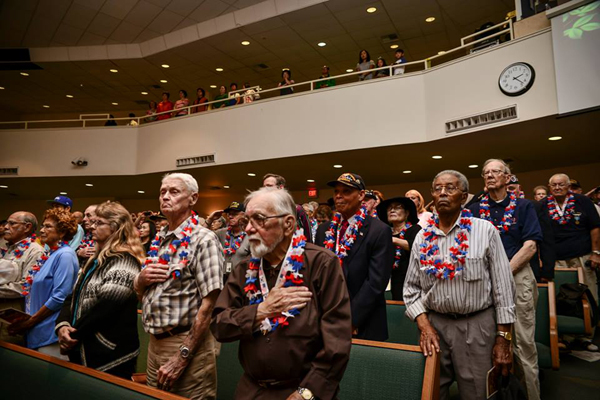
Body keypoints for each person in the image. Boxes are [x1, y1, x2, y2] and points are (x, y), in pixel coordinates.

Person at [211, 187, 351, 400]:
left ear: (288, 224)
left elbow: (337, 339)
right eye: (246, 221)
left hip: (302, 391)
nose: (249, 229)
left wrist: (308, 392)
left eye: (259, 219)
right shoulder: (243, 270)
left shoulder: (322, 263)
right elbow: (219, 325)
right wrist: (260, 311)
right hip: (252, 390)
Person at [404, 170, 516, 400]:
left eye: (450, 188)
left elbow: (504, 289)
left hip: (476, 325)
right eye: (437, 188)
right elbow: (411, 290)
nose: (442, 193)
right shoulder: (422, 237)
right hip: (435, 326)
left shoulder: (485, 231)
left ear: (464, 197)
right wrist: (424, 325)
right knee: (432, 391)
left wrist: (504, 339)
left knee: (478, 392)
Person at [134, 173, 223, 399]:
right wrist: (140, 280)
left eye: (174, 192)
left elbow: (210, 305)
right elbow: (143, 292)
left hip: (186, 344)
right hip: (155, 343)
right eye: (163, 192)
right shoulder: (160, 238)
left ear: (192, 199)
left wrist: (182, 356)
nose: (165, 197)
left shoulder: (204, 239)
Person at [468, 160, 542, 400]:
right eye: (485, 172)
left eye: (495, 171)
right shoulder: (476, 209)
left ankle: (531, 396)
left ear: (508, 178)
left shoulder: (524, 206)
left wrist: (503, 272)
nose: (489, 175)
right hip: (484, 281)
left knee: (522, 346)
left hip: (517, 276)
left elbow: (530, 246)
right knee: (488, 345)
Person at [56, 201, 144, 378]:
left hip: (108, 353)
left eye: (99, 223)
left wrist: (73, 335)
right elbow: (72, 296)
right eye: (92, 222)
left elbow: (107, 307)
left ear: (116, 228)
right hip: (83, 345)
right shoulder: (94, 261)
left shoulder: (124, 260)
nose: (92, 227)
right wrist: (63, 326)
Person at [315, 173, 393, 340]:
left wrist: (350, 319)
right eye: (336, 191)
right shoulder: (324, 230)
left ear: (361, 195)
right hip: (326, 319)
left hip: (363, 321)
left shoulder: (378, 231)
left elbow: (376, 282)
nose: (338, 196)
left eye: (346, 191)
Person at [9, 208, 78, 358]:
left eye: (48, 227)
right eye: (42, 226)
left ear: (62, 232)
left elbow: (60, 296)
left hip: (49, 332)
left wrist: (30, 322)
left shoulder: (65, 255)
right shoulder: (50, 254)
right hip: (35, 328)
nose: (42, 230)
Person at [541, 173, 600, 307]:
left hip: (582, 257)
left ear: (568, 186)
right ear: (549, 187)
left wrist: (596, 253)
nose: (557, 187)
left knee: (589, 296)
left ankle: (592, 325)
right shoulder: (542, 205)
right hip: (556, 260)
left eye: (561, 184)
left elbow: (595, 227)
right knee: (560, 298)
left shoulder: (582, 201)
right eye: (554, 185)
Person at [0, 212, 44, 344]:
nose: (6, 227)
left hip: (12, 316)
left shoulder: (35, 251)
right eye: (7, 223)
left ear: (27, 227)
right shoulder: (7, 249)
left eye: (12, 223)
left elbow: (26, 286)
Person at [376, 197, 421, 301]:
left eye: (397, 207)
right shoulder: (384, 232)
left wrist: (393, 240)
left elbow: (415, 246)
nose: (392, 210)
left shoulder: (415, 229)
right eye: (390, 208)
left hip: (412, 280)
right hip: (391, 281)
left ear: (407, 213)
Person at [262, 173, 312, 243]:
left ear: (281, 188)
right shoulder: (261, 209)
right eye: (264, 186)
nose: (265, 189)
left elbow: (307, 236)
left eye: (269, 186)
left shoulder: (296, 209)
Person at [213, 201, 250, 280]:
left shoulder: (250, 235)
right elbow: (202, 238)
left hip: (241, 279)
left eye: (234, 214)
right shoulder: (221, 233)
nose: (230, 216)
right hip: (222, 278)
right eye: (229, 214)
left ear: (244, 215)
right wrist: (210, 220)